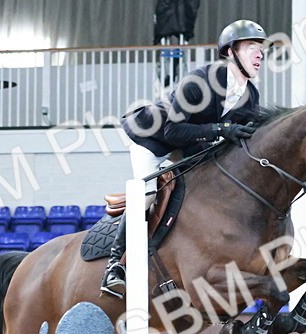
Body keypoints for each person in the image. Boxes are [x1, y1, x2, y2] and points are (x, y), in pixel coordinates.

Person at [101, 19, 270, 297]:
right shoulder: (199, 81)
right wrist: (219, 129)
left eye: (261, 48)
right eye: (252, 46)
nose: (260, 53)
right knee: (145, 194)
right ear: (230, 52)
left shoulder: (249, 96)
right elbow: (173, 129)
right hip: (154, 138)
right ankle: (115, 267)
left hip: (191, 145)